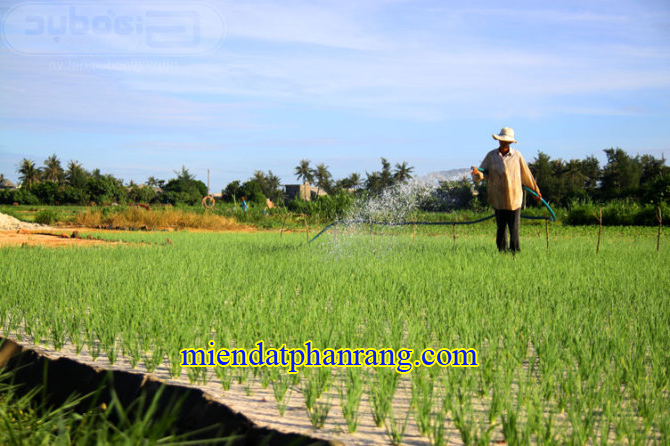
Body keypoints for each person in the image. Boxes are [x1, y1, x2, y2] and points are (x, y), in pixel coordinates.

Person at [471, 127, 541, 253]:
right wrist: (477, 174)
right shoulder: (491, 156)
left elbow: (527, 175)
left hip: (514, 198)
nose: (503, 143)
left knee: (514, 229)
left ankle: (515, 253)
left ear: (510, 143)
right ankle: (502, 253)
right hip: (498, 198)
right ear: (498, 141)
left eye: (506, 141)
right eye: (502, 140)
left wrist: (536, 191)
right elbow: (483, 174)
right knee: (501, 229)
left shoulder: (517, 156)